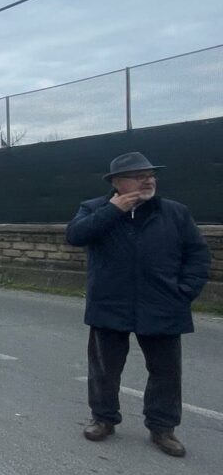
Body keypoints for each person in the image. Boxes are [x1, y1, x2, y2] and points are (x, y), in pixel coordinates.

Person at [66, 152, 210, 457]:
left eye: (151, 174)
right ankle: (103, 419)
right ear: (117, 183)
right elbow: (76, 236)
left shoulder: (175, 213)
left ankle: (162, 428)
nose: (148, 180)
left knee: (166, 372)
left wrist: (184, 292)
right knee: (104, 369)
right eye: (138, 175)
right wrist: (112, 211)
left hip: (163, 305)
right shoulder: (94, 209)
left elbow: (197, 255)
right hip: (110, 304)